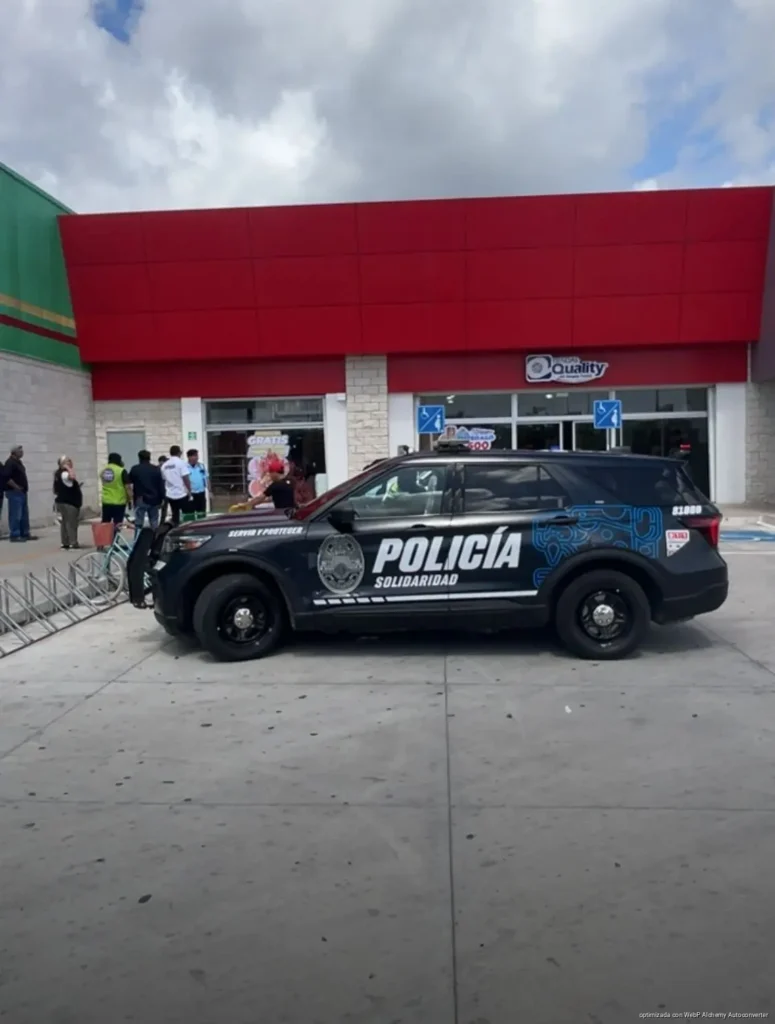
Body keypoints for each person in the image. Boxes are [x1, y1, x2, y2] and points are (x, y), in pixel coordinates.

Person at [3, 444, 38, 543]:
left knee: (24, 514)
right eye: (20, 451)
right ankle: (15, 534)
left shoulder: (19, 462)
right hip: (14, 492)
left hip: (22, 492)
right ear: (14, 452)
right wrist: (16, 487)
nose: (22, 452)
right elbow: (6, 478)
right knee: (16, 514)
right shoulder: (10, 463)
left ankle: (25, 533)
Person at [128, 450, 165, 531]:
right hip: (155, 499)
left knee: (138, 523)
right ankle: (155, 541)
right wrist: (163, 498)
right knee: (154, 522)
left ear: (139, 458)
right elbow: (161, 485)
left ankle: (138, 541)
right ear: (149, 458)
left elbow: (129, 484)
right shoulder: (156, 469)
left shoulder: (135, 469)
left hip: (140, 499)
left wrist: (130, 499)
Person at [53, 455, 82, 549]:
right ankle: (73, 542)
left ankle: (65, 542)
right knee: (71, 523)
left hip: (62, 501)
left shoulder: (57, 474)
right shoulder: (64, 473)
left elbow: (55, 489)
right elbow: (72, 477)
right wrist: (69, 469)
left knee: (65, 522)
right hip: (69, 502)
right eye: (68, 461)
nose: (71, 462)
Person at [161, 445, 192, 527]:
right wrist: (190, 490)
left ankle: (176, 529)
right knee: (187, 514)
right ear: (179, 453)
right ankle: (187, 530)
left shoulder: (164, 465)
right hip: (181, 493)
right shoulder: (181, 463)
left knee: (175, 514)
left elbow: (164, 479)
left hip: (170, 494)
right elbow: (186, 478)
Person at [100, 453, 130, 533]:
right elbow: (127, 487)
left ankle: (102, 541)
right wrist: (130, 499)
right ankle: (114, 541)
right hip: (119, 502)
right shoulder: (121, 471)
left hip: (106, 501)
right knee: (117, 524)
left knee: (105, 523)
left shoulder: (103, 470)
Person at [186, 448, 209, 514]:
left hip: (201, 493)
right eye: (195, 456)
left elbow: (206, 478)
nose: (197, 458)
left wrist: (209, 491)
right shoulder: (184, 467)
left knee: (201, 513)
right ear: (189, 457)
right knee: (190, 514)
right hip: (190, 494)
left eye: (197, 456)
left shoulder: (201, 466)